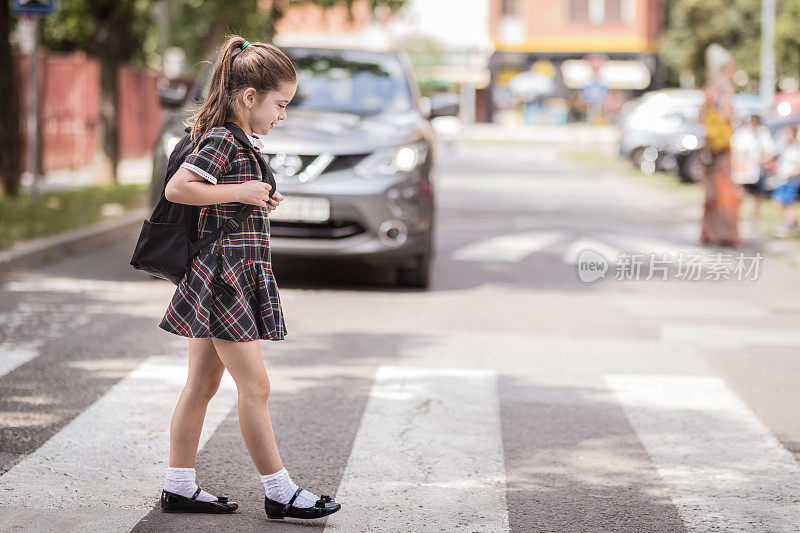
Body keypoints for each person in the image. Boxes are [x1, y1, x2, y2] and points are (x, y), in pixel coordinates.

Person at [157, 35, 341, 520]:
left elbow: (219, 196)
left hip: (227, 272)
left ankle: (179, 486)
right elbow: (179, 188)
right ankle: (279, 491)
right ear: (249, 97)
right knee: (255, 387)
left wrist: (253, 196)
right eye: (280, 104)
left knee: (201, 384)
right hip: (225, 277)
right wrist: (244, 188)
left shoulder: (237, 139)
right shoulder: (221, 138)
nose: (282, 115)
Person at [699, 43, 741, 247]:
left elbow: (700, 117)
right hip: (723, 147)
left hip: (709, 146)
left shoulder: (709, 89)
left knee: (711, 191)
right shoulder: (726, 89)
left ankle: (709, 232)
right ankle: (727, 234)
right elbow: (725, 114)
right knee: (726, 190)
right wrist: (735, 117)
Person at [740, 114, 776, 230]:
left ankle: (755, 218)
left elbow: (769, 150)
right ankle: (738, 215)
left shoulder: (763, 133)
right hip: (747, 170)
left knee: (758, 195)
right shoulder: (744, 133)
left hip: (758, 169)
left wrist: (762, 160)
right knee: (742, 193)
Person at [770, 124, 800, 238]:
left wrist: (788, 174)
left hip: (790, 180)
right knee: (778, 202)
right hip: (781, 179)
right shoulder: (784, 148)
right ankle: (791, 222)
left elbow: (798, 168)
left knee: (788, 204)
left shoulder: (796, 150)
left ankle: (790, 224)